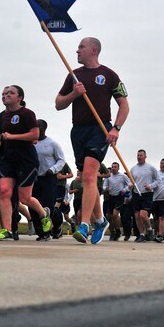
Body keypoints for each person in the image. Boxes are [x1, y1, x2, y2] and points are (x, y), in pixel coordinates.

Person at [55, 37, 129, 244]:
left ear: (93, 50)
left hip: (100, 128)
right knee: (88, 179)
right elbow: (58, 104)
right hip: (78, 131)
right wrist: (73, 94)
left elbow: (124, 105)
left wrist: (116, 128)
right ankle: (101, 220)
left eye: (81, 47)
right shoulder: (74, 75)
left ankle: (84, 225)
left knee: (88, 175)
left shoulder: (109, 75)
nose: (77, 51)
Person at [0, 85, 51, 241]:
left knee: (24, 198)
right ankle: (6, 230)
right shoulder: (0, 117)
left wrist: (12, 137)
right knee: (4, 192)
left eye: (10, 93)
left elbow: (35, 134)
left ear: (20, 98)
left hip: (26, 159)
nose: (6, 95)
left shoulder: (27, 113)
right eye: (3, 93)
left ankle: (43, 214)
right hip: (7, 158)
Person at [33, 119, 66, 241]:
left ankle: (57, 223)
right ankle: (42, 233)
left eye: (39, 126)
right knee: (34, 206)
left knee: (48, 207)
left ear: (44, 128)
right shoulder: (31, 143)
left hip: (49, 178)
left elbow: (61, 160)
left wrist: (52, 169)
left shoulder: (52, 143)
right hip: (34, 178)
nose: (36, 127)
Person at [129, 149, 159, 243]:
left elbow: (158, 180)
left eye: (141, 155)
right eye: (138, 155)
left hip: (147, 193)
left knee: (143, 214)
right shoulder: (133, 168)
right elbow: (131, 181)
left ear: (145, 156)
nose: (139, 157)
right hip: (136, 193)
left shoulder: (150, 168)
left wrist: (151, 186)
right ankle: (142, 234)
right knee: (137, 215)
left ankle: (149, 229)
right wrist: (130, 185)